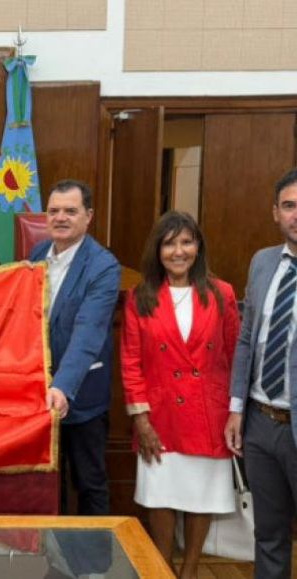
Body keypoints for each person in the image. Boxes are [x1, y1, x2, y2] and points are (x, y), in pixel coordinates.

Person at [122, 211, 239, 578]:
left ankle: (188, 571)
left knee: (200, 497)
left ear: (198, 246)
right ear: (157, 250)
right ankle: (162, 569)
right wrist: (141, 420)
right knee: (161, 496)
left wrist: (236, 411)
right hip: (160, 417)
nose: (178, 251)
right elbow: (130, 362)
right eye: (169, 243)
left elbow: (238, 354)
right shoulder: (140, 297)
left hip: (209, 414)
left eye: (186, 242)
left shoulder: (223, 294)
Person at [28, 179, 120, 515]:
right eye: (54, 211)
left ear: (88, 216)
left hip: (81, 396)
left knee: (89, 483)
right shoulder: (37, 254)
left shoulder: (104, 266)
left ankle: (93, 567)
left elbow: (88, 332)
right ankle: (55, 563)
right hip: (38, 394)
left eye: (70, 210)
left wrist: (63, 386)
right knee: (48, 486)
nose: (60, 217)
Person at [225, 167, 297, 579]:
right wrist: (237, 408)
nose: (296, 214)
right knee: (268, 535)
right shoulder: (262, 262)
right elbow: (247, 338)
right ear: (275, 212)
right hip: (261, 424)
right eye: (289, 205)